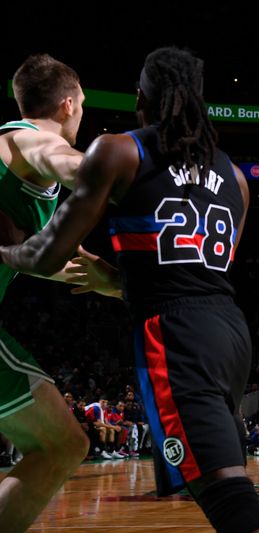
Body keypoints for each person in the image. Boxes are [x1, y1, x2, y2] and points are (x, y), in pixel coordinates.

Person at [0, 46, 259, 533]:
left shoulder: (117, 151)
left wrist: (12, 250)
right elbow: (190, 270)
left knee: (227, 500)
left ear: (143, 97)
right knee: (234, 492)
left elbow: (51, 237)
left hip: (174, 335)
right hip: (229, 330)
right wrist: (106, 281)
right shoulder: (236, 178)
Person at [0, 53, 91, 532]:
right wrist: (130, 177)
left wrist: (123, 286)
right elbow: (66, 163)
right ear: (69, 104)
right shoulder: (26, 139)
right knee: (61, 443)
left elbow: (47, 257)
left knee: (64, 444)